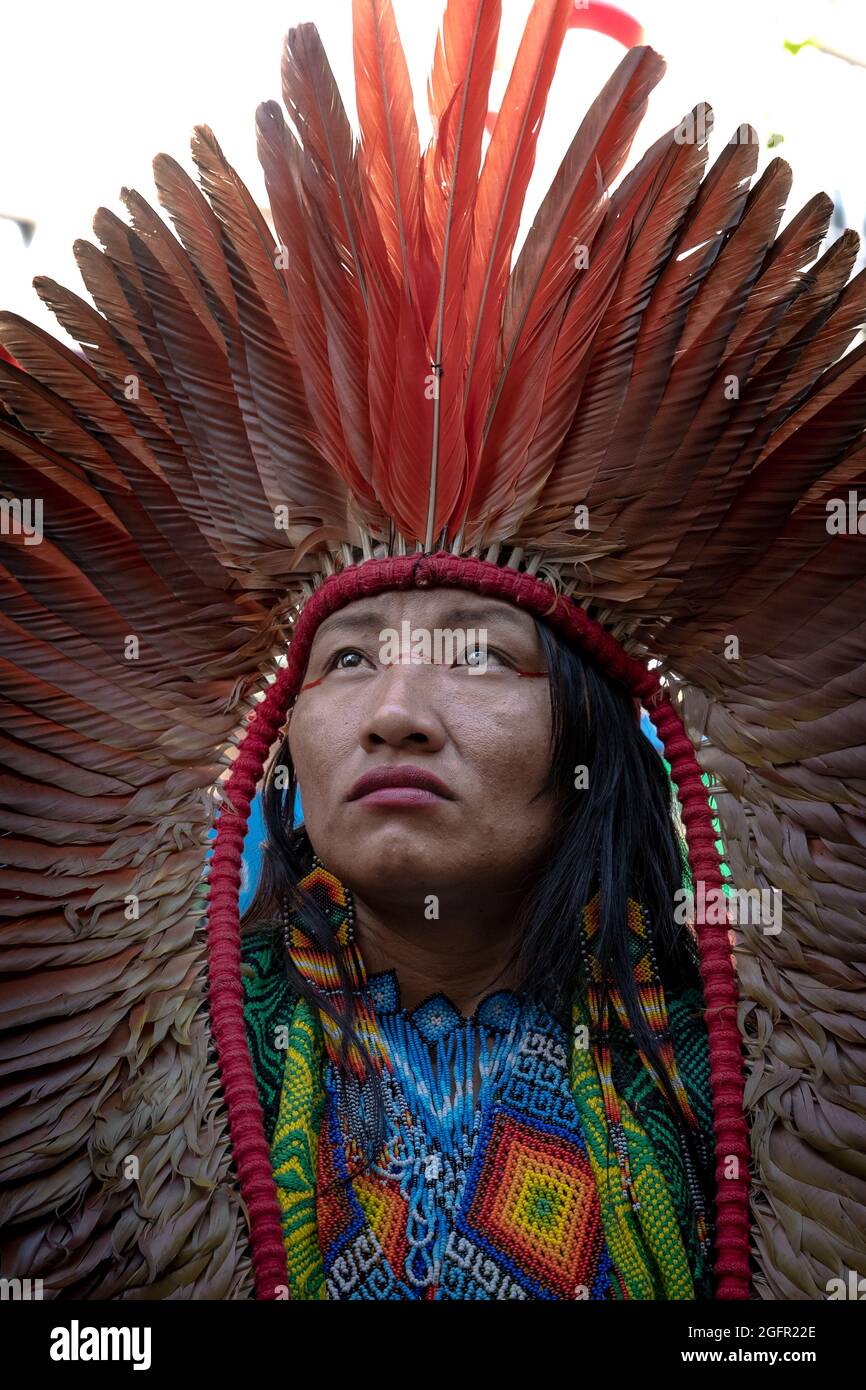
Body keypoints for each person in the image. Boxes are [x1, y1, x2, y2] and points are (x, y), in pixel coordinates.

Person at [2, 0, 864, 1304]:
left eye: (478, 659)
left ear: (591, 744)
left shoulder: (709, 1079)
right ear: (279, 744)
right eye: (344, 662)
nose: (395, 710)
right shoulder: (144, 1068)